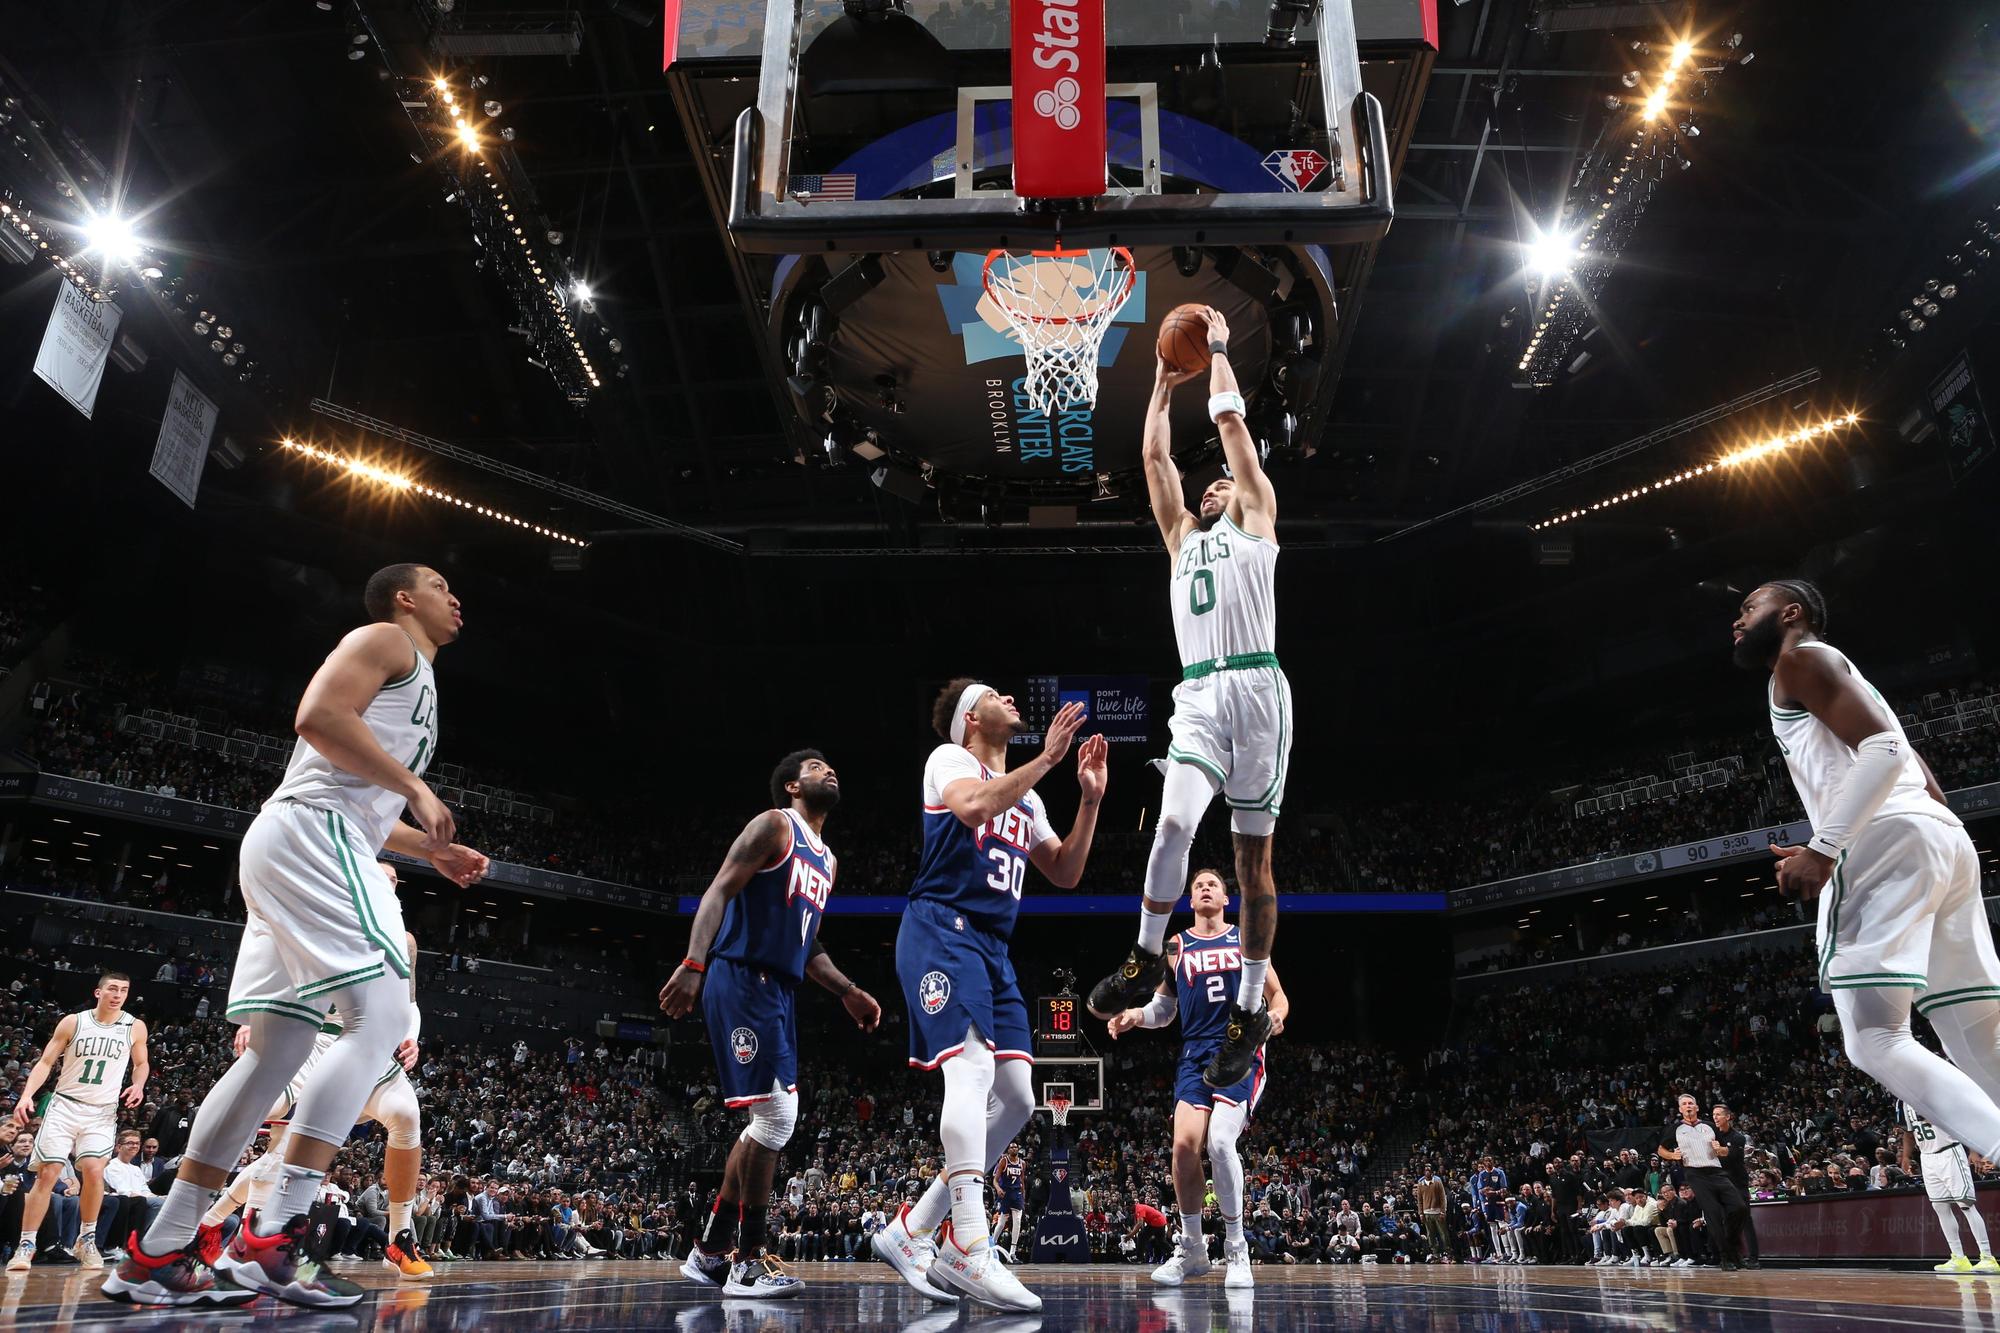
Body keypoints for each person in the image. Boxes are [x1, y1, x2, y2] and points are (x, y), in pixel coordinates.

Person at [104, 563, 488, 1310]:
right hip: (314, 838)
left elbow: (354, 797)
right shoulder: (387, 639)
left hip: (298, 837)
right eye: (442, 583)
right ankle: (270, 1235)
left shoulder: (417, 686)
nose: (456, 594)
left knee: (277, 1051)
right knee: (377, 1020)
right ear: (405, 597)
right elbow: (316, 716)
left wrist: (428, 847)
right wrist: (416, 786)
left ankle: (159, 1250)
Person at [1089, 311, 1291, 1096]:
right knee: (1172, 821)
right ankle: (1144, 952)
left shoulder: (1259, 517)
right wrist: (1159, 386)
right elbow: (1152, 455)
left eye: (1222, 482)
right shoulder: (1181, 536)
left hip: (1259, 690)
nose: (1210, 485)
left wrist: (1215, 352)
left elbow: (1233, 424)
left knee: (1251, 862)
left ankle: (1247, 1009)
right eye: (1205, 484)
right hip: (1200, 691)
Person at [1734, 581, 2000, 1166]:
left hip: (1886, 838)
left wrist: (1827, 848)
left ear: (1792, 613)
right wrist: (1921, 851)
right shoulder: (1851, 680)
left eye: (1751, 607)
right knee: (1976, 1030)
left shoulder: (1796, 660)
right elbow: (1917, 776)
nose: (1738, 619)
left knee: (1876, 1039)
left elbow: (1880, 751)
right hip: (1940, 837)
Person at [872, 682, 1107, 1313]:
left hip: (994, 948)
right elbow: (972, 808)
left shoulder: (1027, 797)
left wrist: (1088, 802)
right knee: (972, 1072)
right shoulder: (950, 761)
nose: (1014, 700)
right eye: (999, 695)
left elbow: (1064, 870)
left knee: (1019, 1099)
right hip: (940, 928)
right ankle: (971, 1244)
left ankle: (916, 1228)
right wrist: (1050, 760)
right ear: (971, 718)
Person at [659, 750, 881, 1300]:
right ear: (790, 786)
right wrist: (694, 962)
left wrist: (848, 991)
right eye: (814, 766)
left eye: (832, 765)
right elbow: (718, 890)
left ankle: (711, 1252)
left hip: (778, 990)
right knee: (777, 1117)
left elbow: (808, 947)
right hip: (739, 976)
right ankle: (748, 1260)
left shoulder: (826, 860)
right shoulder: (774, 826)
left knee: (767, 1121)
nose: (829, 769)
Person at [203, 899, 431, 1280]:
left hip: (367, 1045)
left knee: (406, 1115)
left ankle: (400, 1237)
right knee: (270, 1134)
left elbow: (409, 1002)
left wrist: (411, 1037)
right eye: (383, 880)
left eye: (394, 885)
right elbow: (275, 973)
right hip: (311, 1040)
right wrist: (253, 1017)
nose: (389, 889)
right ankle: (214, 1228)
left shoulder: (402, 941)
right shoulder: (317, 918)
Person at [1107, 868, 1287, 1289]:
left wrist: (1275, 1017)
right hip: (1194, 1053)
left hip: (1239, 1048)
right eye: (1198, 886)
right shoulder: (1176, 945)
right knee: (1185, 1146)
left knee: (1220, 1142)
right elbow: (1164, 1009)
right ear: (1191, 900)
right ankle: (1192, 1249)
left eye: (1213, 885)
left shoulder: (1245, 940)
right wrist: (1137, 1014)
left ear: (1227, 898)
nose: (1205, 888)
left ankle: (1237, 1248)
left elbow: (1278, 995)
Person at [8, 970, 147, 1272]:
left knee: (95, 1172)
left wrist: (138, 1084)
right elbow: (46, 1062)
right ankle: (26, 1244)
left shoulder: (134, 1027)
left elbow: (141, 1063)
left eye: (123, 990)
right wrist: (27, 1094)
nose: (118, 994)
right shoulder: (74, 1021)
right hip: (65, 1106)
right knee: (48, 1174)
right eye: (112, 988)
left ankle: (86, 1239)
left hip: (101, 1111)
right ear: (98, 992)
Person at [1897, 1096, 2000, 1273]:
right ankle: (1958, 1258)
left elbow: (1963, 1124)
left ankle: (1987, 1257)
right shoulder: (1902, 1102)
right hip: (1927, 1157)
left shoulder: (1935, 1092)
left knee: (1965, 1205)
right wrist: (1906, 1156)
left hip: (1950, 1151)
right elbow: (1908, 1132)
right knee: (1940, 1206)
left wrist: (1973, 1150)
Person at [1657, 1094, 1750, 1272]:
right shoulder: (1675, 1128)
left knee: (1740, 1208)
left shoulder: (1708, 1125)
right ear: (1680, 1109)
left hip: (1716, 1171)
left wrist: (1721, 1149)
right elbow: (1661, 1149)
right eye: (1684, 1104)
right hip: (1695, 1173)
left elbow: (1724, 1151)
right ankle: (1725, 1256)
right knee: (1713, 1214)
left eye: (1691, 1103)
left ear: (1697, 1107)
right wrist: (1672, 1155)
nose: (1688, 1106)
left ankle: (1730, 1246)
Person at [1710, 1103, 1761, 1268]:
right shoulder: (1713, 1137)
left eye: (1718, 1114)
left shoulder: (1738, 1138)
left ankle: (1753, 1258)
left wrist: (1719, 1150)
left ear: (1728, 1117)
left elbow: (1732, 1158)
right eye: (1713, 1114)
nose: (1715, 1117)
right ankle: (1734, 1257)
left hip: (1738, 1184)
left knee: (1746, 1220)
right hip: (1721, 1185)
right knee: (1727, 1221)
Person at [989, 1145, 1027, 1257]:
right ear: (1008, 1150)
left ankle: (1012, 1253)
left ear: (1018, 1149)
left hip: (1017, 1193)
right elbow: (995, 1180)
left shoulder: (1022, 1163)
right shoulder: (1004, 1161)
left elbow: (1022, 1181)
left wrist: (1023, 1196)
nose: (1014, 1149)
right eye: (1011, 1147)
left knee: (1017, 1221)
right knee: (1001, 1223)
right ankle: (992, 1246)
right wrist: (998, 1189)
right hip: (1005, 1193)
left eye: (1016, 1147)